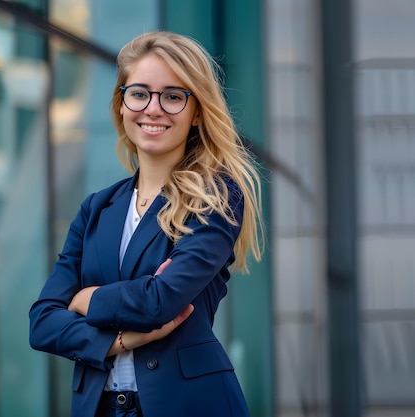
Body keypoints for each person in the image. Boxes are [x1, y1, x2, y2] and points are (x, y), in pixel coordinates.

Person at [29, 30, 263, 417]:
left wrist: (85, 299)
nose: (152, 109)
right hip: (99, 406)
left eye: (173, 96)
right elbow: (42, 322)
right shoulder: (97, 208)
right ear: (121, 104)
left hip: (187, 405)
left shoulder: (216, 197)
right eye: (139, 93)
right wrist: (117, 341)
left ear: (197, 111)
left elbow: (160, 302)